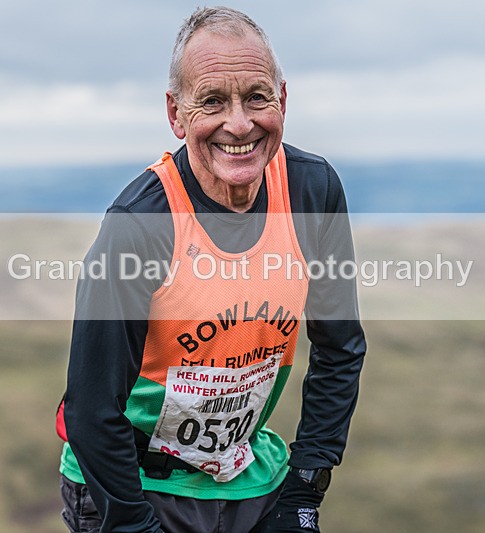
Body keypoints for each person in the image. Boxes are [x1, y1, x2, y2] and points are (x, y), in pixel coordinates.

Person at [56, 7, 366, 532]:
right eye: (213, 101)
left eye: (257, 97)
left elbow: (340, 349)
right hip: (130, 486)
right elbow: (91, 411)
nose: (240, 123)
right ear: (176, 114)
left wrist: (304, 490)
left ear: (283, 101)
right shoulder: (141, 224)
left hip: (252, 479)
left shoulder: (313, 191)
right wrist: (133, 525)